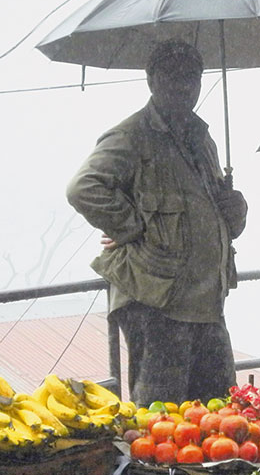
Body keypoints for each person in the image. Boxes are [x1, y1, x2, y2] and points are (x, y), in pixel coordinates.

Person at [66, 40, 248, 404]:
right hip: (157, 300)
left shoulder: (201, 137)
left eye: (193, 78)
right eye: (174, 76)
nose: (185, 86)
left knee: (221, 413)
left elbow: (213, 212)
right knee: (161, 418)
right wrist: (132, 228)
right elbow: (83, 187)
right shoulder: (132, 136)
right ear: (152, 80)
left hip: (206, 300)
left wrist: (234, 206)